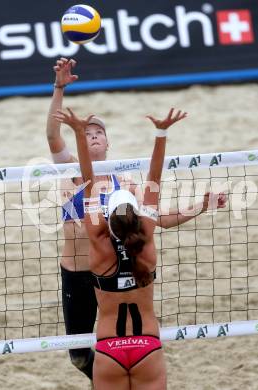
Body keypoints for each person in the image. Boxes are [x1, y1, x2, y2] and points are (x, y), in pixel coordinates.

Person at [46, 58, 227, 383]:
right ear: (79, 143)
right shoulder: (72, 172)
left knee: (121, 339)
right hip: (77, 274)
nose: (94, 136)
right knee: (77, 356)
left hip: (113, 269)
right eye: (87, 132)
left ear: (108, 142)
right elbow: (52, 136)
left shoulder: (126, 183)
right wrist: (59, 88)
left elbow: (158, 221)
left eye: (99, 132)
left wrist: (200, 206)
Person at [53, 106, 188, 389]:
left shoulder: (98, 247)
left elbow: (89, 183)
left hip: (109, 349)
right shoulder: (146, 250)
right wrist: (161, 133)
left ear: (108, 216)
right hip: (147, 347)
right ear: (138, 217)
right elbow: (154, 180)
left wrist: (78, 132)